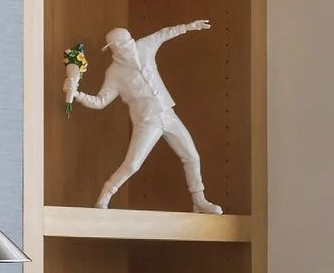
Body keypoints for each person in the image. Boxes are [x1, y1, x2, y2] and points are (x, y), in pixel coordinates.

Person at [64, 20, 218, 212]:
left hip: (168, 113)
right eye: (122, 44)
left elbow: (164, 32)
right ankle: (105, 195)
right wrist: (77, 94)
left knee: (192, 156)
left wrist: (188, 27)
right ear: (114, 49)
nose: (128, 46)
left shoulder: (144, 46)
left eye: (128, 41)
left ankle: (199, 201)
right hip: (147, 122)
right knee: (132, 164)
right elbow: (100, 102)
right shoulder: (114, 74)